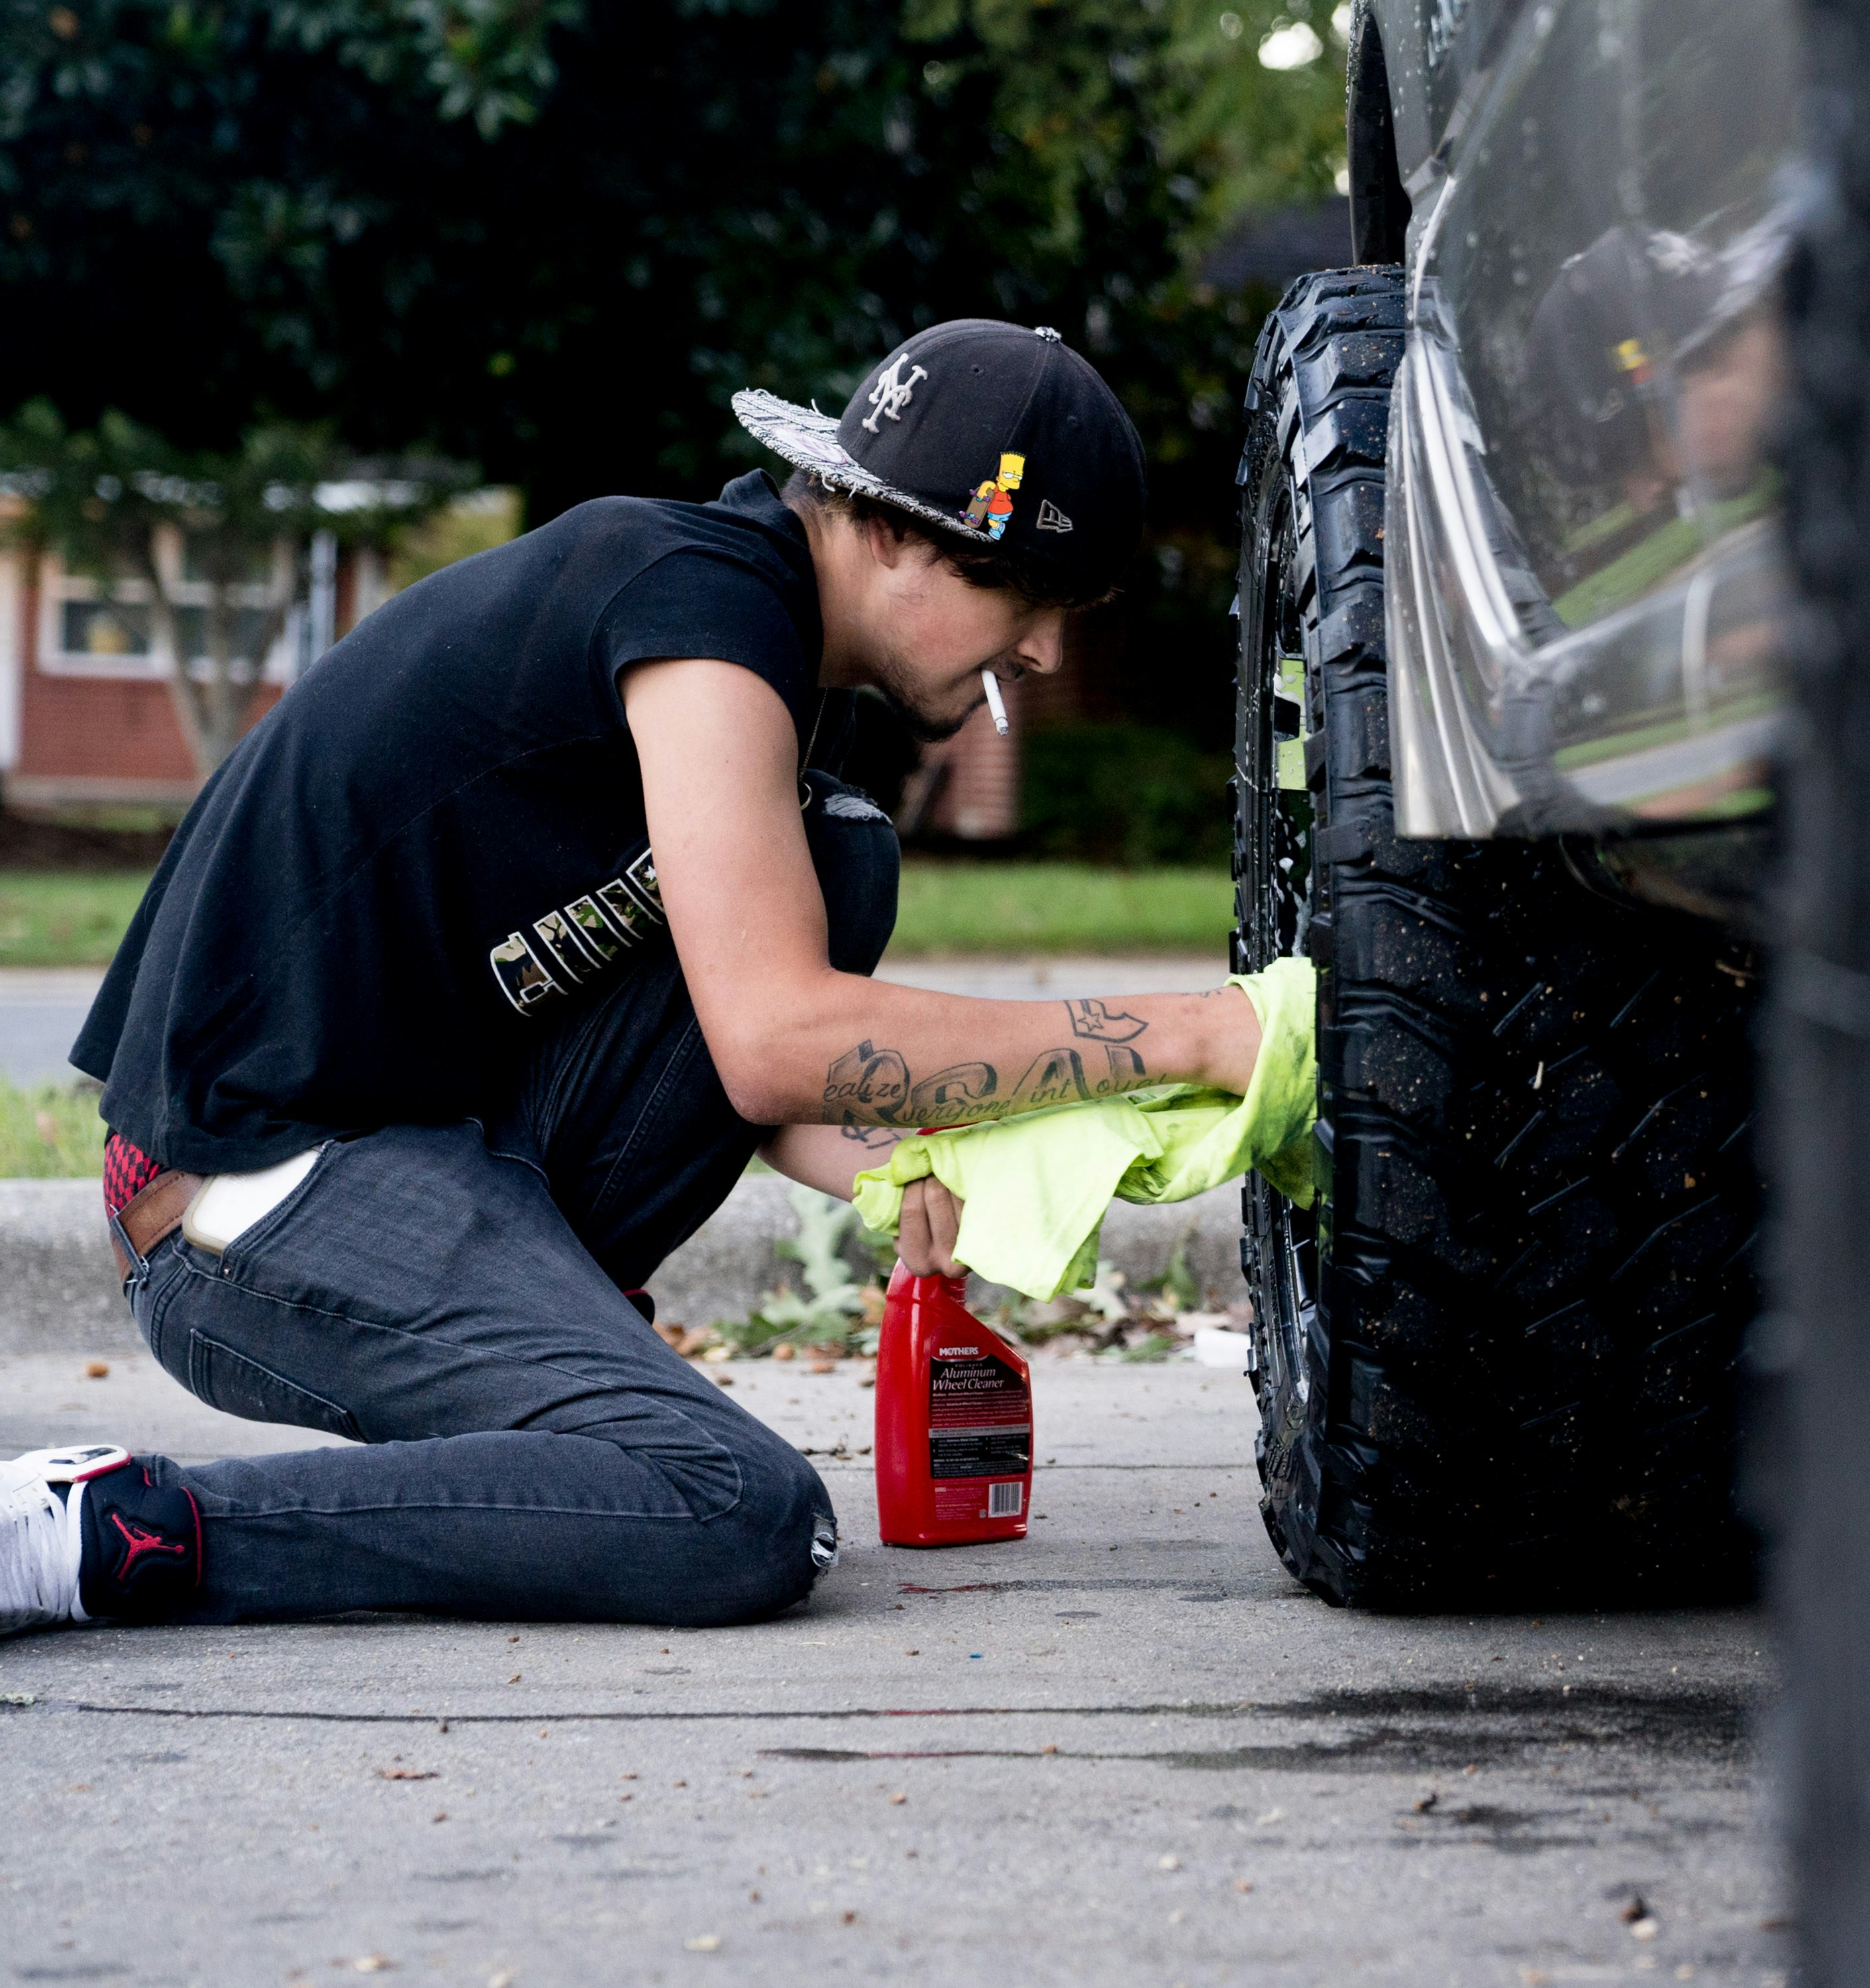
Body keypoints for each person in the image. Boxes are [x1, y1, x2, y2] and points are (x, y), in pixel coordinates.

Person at [3, 322, 1266, 1642]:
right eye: (1029, 595)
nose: (1047, 653)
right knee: (733, 1510)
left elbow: (745, 1064)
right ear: (894, 533)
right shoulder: (699, 611)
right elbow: (779, 1041)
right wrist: (1190, 1034)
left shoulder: (787, 671)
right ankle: (100, 1529)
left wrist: (924, 1163)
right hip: (244, 1188)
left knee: (840, 858)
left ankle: (561, 1393)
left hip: (429, 1143)